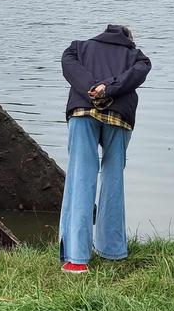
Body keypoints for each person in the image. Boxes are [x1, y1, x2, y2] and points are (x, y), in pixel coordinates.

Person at [59, 24, 151, 273]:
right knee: (113, 180)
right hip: (119, 117)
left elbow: (69, 67)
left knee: (81, 178)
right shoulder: (137, 56)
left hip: (81, 112)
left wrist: (92, 88)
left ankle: (76, 260)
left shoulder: (77, 48)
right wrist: (108, 88)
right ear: (128, 39)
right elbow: (136, 75)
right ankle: (112, 252)